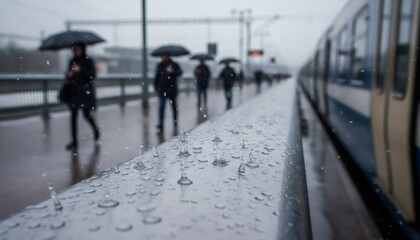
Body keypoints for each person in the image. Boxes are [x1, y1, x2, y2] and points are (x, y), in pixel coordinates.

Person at [65, 42, 100, 150]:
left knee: (86, 114)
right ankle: (74, 142)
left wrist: (80, 70)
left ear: (83, 49)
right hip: (74, 92)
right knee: (73, 117)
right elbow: (68, 76)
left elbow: (92, 76)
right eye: (74, 49)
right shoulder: (72, 61)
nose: (76, 50)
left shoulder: (88, 61)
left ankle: (95, 130)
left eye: (78, 48)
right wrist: (69, 74)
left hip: (85, 92)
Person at [154, 53, 183, 132]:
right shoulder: (160, 65)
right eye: (163, 56)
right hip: (162, 89)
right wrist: (156, 88)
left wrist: (172, 71)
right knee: (161, 107)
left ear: (169, 56)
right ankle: (161, 124)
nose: (164, 57)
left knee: (173, 106)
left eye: (165, 56)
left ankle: (175, 121)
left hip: (172, 90)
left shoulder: (174, 64)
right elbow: (157, 77)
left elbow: (180, 72)